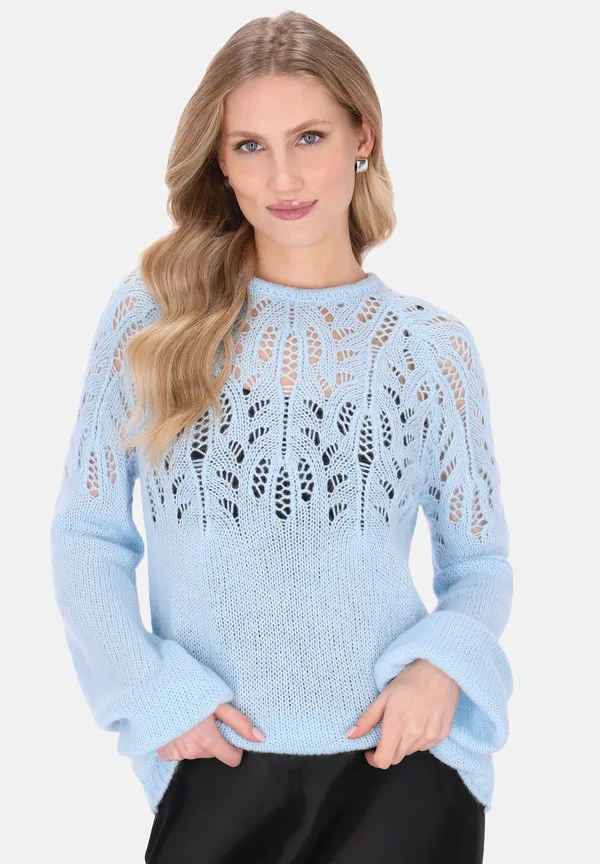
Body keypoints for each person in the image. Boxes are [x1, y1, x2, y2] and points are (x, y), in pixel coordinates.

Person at [50, 11, 513, 864]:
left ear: (362, 138)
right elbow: (87, 536)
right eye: (251, 146)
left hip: (402, 768)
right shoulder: (152, 320)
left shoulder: (432, 350)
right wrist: (154, 693)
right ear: (220, 162)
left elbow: (479, 565)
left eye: (309, 136)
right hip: (217, 761)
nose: (285, 176)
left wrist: (440, 667)